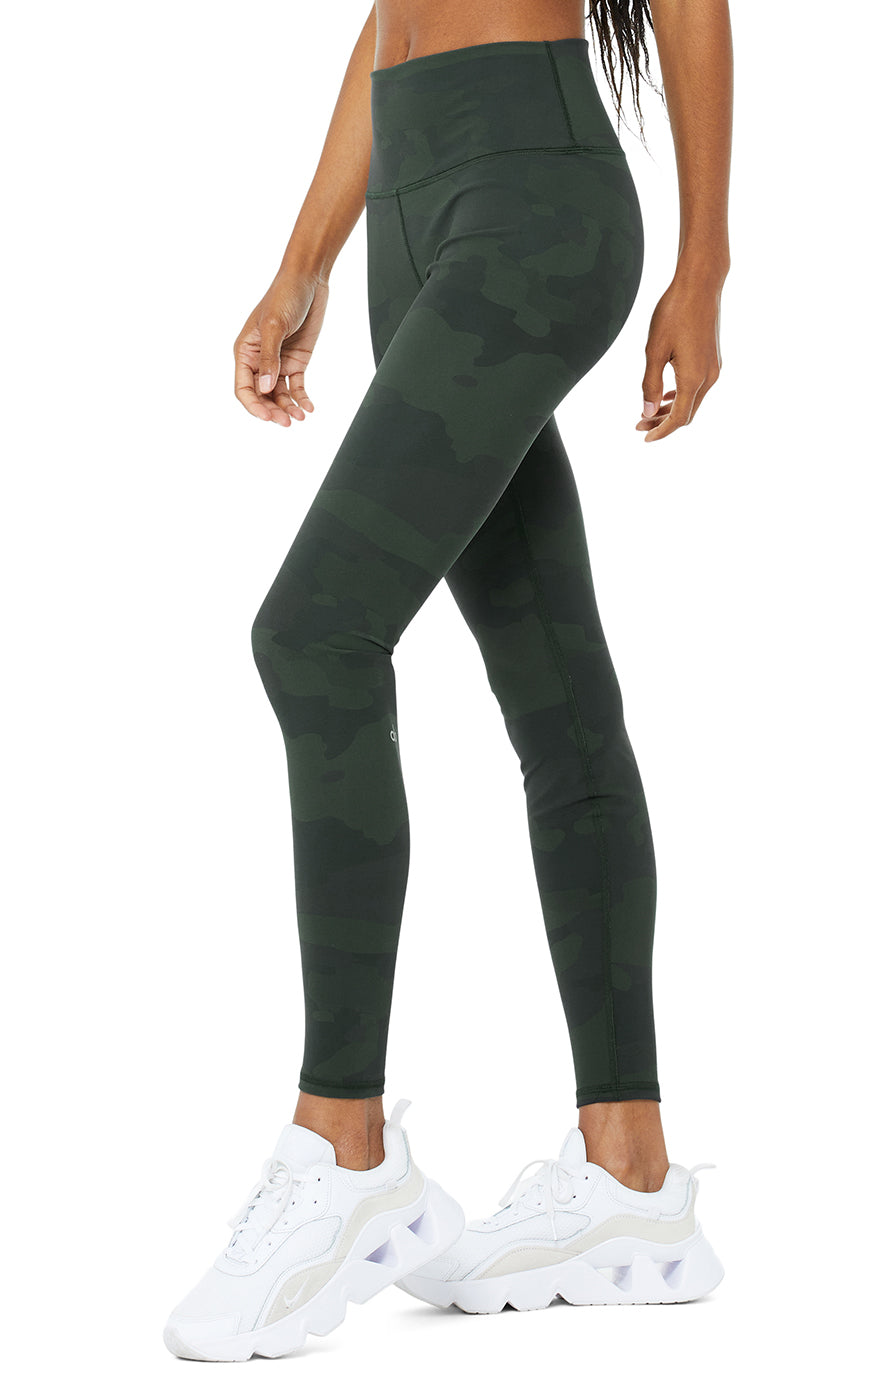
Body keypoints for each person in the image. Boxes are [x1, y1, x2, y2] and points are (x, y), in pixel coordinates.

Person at [164, 0, 732, 1360]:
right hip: (410, 205)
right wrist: (302, 264)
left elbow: (689, 3)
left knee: (315, 634)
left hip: (534, 196)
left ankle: (343, 1145)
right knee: (555, 693)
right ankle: (631, 1177)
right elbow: (389, 16)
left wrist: (704, 264)